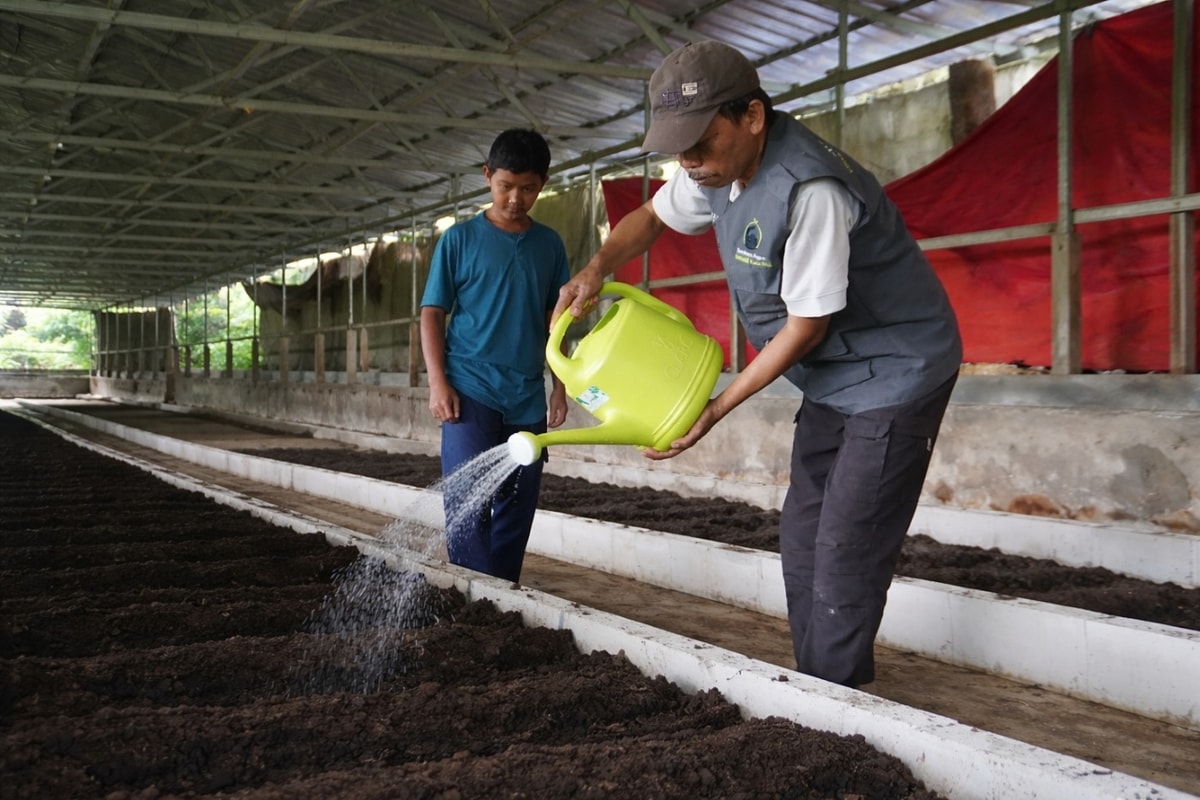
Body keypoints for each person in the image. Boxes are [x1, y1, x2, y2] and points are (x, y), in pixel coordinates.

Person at [555, 42, 963, 689]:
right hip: (833, 373)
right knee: (802, 537)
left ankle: (836, 705)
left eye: (700, 142)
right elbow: (650, 218)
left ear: (752, 117)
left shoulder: (810, 191)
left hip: (897, 370)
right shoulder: (712, 169)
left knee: (844, 552)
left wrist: (714, 407)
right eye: (678, 147)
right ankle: (819, 687)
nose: (688, 161)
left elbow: (806, 326)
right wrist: (596, 269)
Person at [421, 128, 571, 582]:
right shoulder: (459, 240)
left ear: (542, 184)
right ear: (488, 177)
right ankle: (471, 594)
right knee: (467, 502)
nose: (515, 198)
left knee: (517, 504)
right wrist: (437, 382)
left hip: (525, 395)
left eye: (528, 188)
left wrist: (560, 386)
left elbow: (556, 322)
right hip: (470, 390)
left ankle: (501, 595)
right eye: (506, 185)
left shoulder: (549, 245)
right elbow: (432, 313)